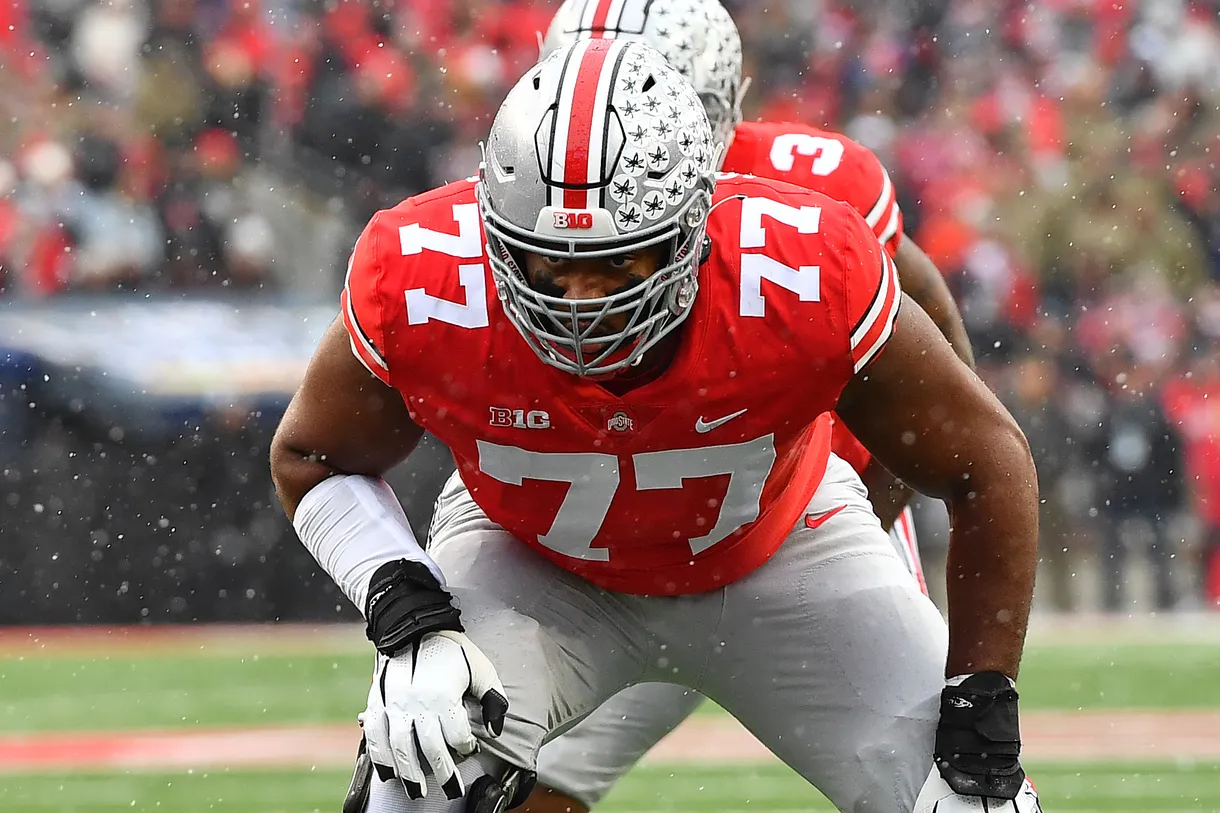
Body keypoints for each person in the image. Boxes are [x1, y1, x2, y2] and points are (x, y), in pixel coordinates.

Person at [271, 39, 1040, 813]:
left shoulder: (798, 267)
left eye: (618, 264)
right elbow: (311, 454)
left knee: (976, 803)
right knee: (421, 775)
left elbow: (986, 459)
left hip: (780, 546)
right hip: (533, 561)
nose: (580, 301)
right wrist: (406, 608)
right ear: (495, 236)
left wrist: (984, 699)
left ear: (694, 228)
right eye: (549, 265)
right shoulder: (425, 273)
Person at [525, 3, 979, 808]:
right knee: (526, 777)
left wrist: (876, 504)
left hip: (808, 508)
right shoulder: (528, 204)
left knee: (928, 774)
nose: (617, 130)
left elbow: (931, 317)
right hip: (620, 530)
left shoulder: (813, 187)